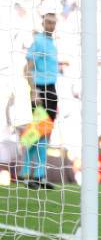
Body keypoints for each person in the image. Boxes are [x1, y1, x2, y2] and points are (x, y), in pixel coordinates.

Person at [19, 13, 59, 190]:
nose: (51, 25)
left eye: (53, 22)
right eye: (48, 22)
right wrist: (34, 91)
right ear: (42, 22)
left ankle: (29, 173)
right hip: (41, 90)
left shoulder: (51, 43)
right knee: (39, 132)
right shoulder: (39, 42)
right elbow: (27, 69)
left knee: (43, 132)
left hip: (51, 89)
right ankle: (34, 174)